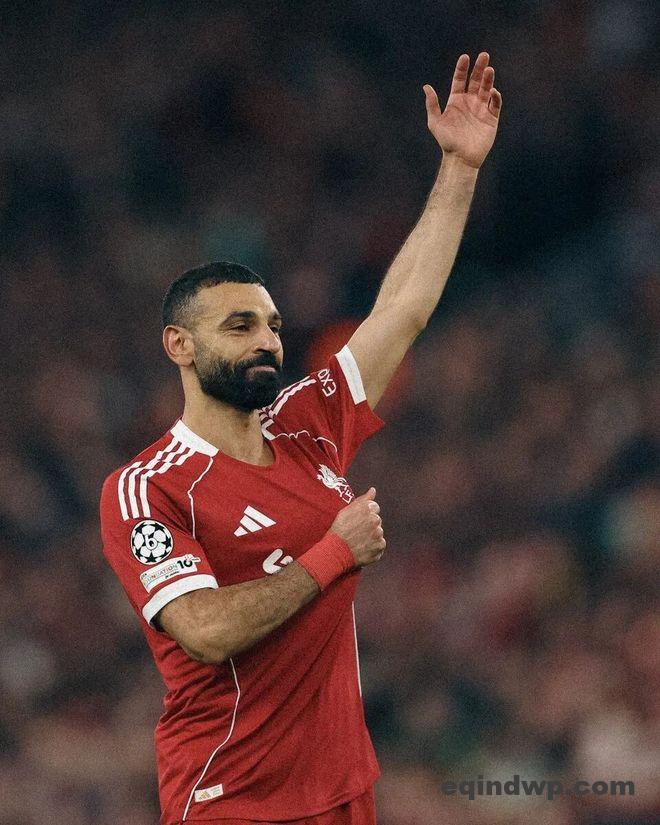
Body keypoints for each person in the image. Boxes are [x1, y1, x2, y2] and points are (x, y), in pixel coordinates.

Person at [99, 52, 502, 825]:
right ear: (179, 344)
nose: (266, 341)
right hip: (234, 798)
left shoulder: (307, 424)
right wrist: (334, 551)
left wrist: (458, 168)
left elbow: (402, 311)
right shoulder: (147, 486)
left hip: (343, 789)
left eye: (273, 325)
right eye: (239, 325)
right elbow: (203, 629)